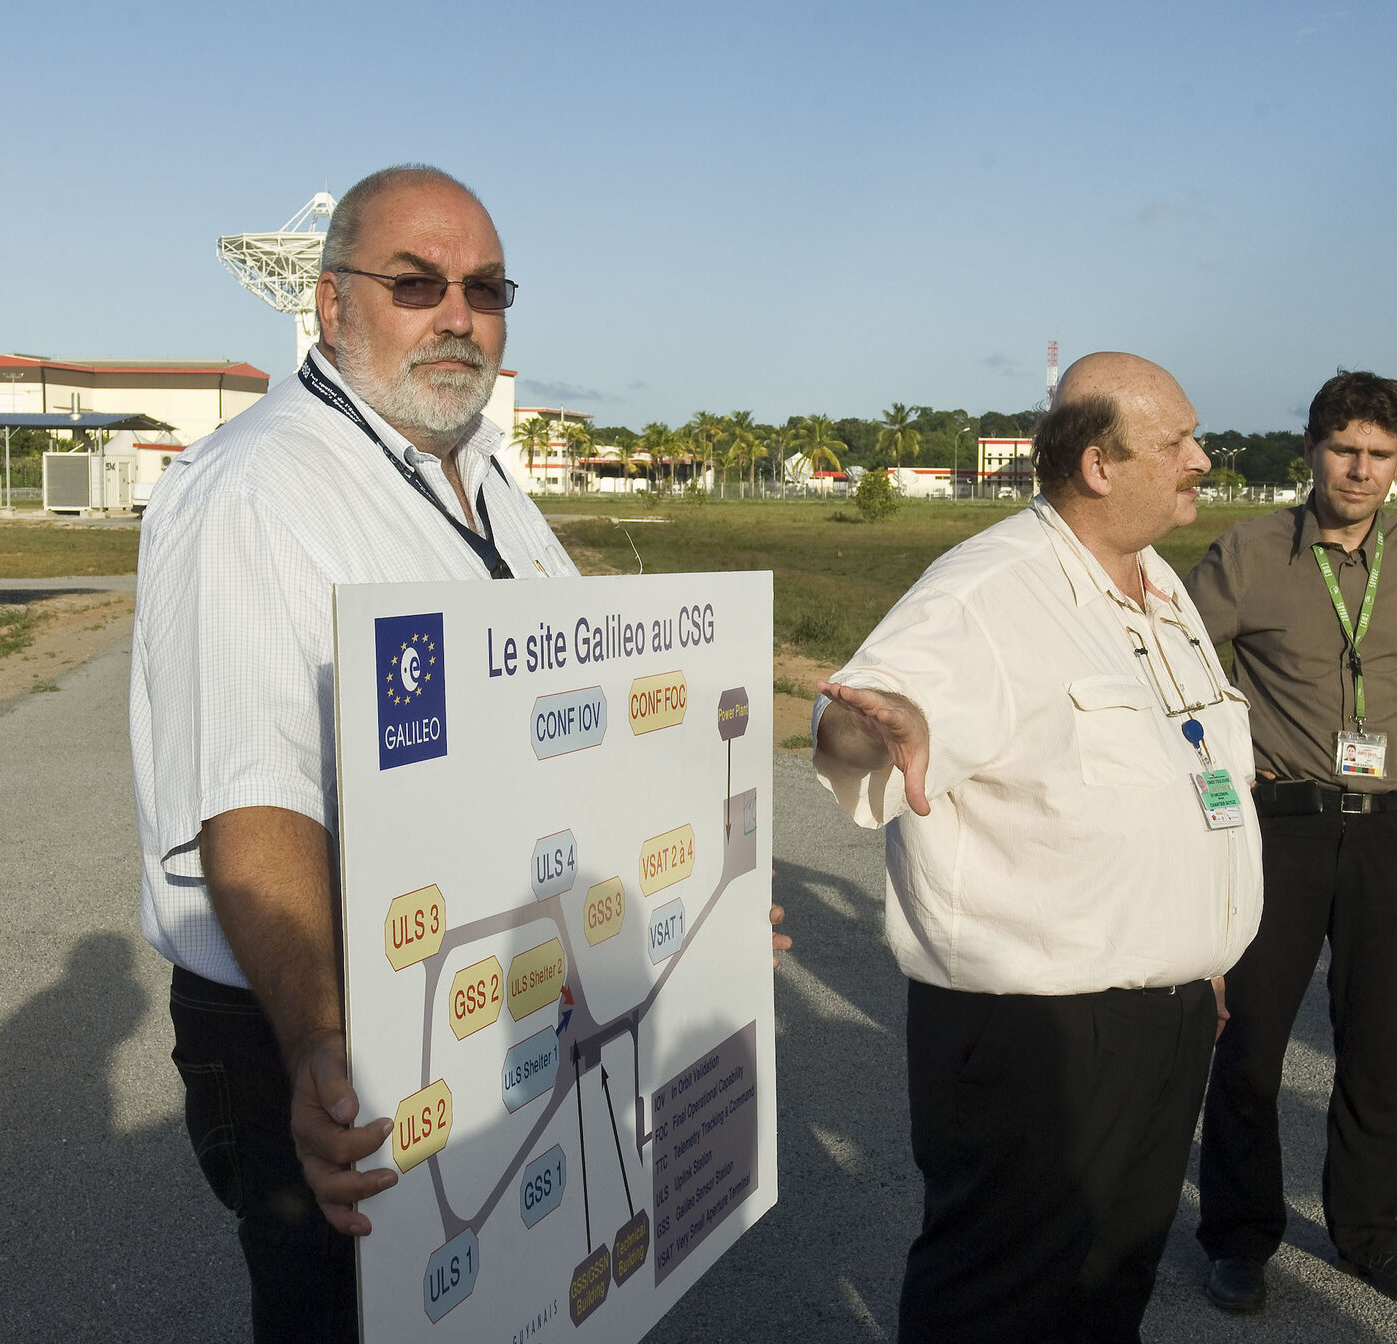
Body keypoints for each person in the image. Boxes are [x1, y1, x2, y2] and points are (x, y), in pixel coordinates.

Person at [130, 164, 787, 1342]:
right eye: (416, 282)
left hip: (486, 985)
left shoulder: (485, 475)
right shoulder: (254, 492)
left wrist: (707, 896)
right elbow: (252, 806)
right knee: (345, 1316)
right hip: (313, 1005)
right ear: (331, 305)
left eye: (485, 289)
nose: (458, 314)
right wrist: (327, 1047)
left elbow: (584, 716)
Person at [813, 352, 1263, 1344]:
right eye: (1178, 442)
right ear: (1100, 466)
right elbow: (869, 710)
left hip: (1160, 1016)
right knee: (1000, 1296)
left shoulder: (1156, 586)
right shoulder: (988, 589)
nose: (1203, 458)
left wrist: (1202, 960)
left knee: (1105, 1286)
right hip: (1038, 1034)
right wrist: (880, 726)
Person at [1186, 371, 1397, 1314]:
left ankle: (1371, 1238)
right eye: (1345, 450)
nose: (1361, 471)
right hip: (1280, 826)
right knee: (1249, 1048)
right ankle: (1240, 1239)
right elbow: (1169, 660)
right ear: (1312, 451)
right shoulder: (1250, 553)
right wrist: (1216, 759)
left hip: (1390, 827)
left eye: (1380, 455)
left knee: (1372, 1049)